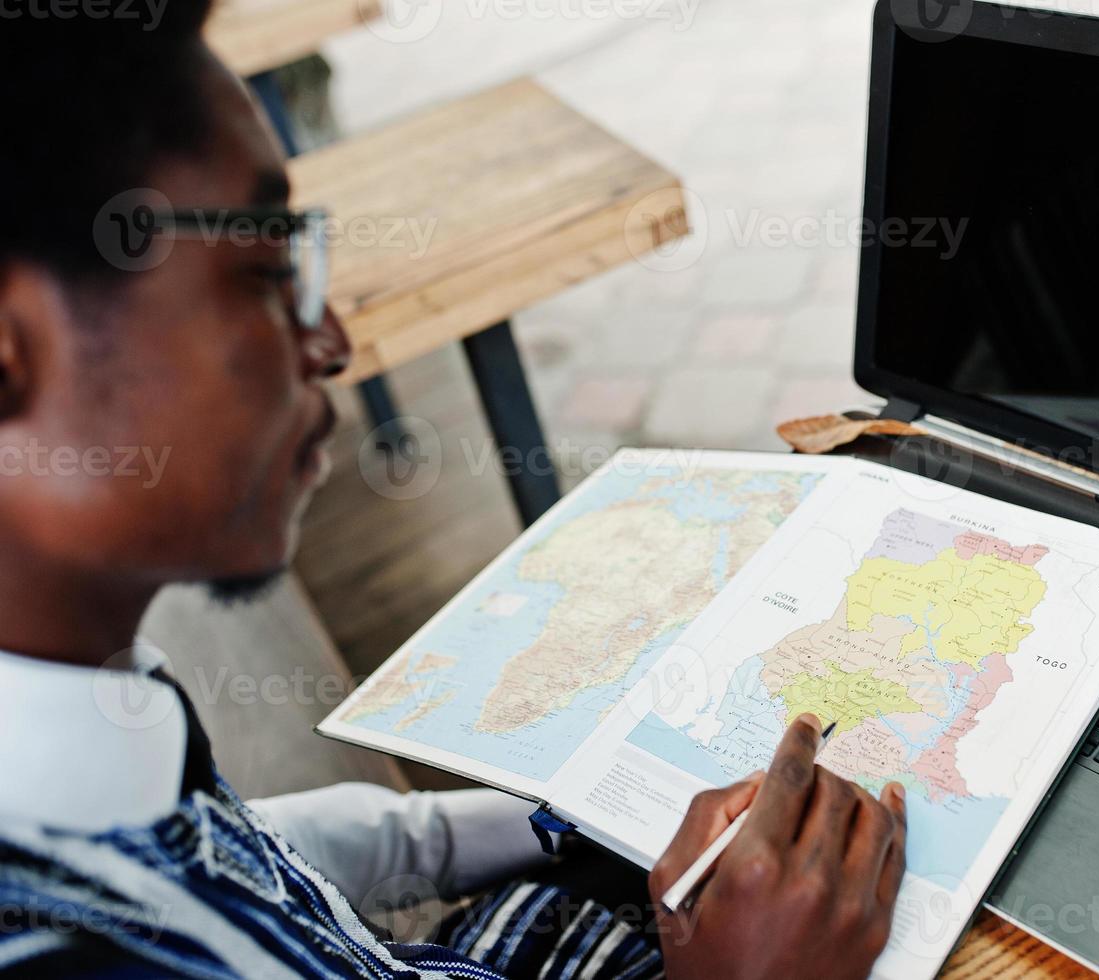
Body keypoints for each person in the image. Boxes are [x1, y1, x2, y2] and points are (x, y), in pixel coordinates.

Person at [0, 4, 908, 978]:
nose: (333, 341)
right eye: (266, 271)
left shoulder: (85, 705)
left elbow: (256, 855)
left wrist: (569, 819)